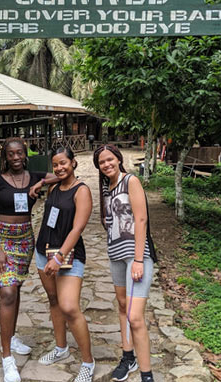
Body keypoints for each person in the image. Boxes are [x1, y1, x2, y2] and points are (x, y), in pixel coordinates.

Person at [0, 137, 59, 382]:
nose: (15, 158)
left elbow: (62, 174)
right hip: (4, 240)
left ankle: (12, 336)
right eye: (10, 154)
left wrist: (39, 185)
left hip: (25, 239)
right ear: (5, 157)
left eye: (19, 153)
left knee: (15, 288)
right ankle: (7, 359)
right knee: (7, 293)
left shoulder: (34, 176)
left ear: (25, 154)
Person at [92, 144, 158, 382]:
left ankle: (146, 374)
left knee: (135, 316)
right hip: (116, 254)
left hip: (136, 255)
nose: (107, 164)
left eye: (110, 159)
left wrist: (139, 259)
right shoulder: (107, 188)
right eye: (102, 162)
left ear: (118, 159)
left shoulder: (130, 181)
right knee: (122, 306)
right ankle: (127, 355)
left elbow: (141, 219)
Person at [29, 147, 95, 382]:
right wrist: (41, 183)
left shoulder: (82, 191)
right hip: (43, 251)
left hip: (67, 256)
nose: (59, 167)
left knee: (69, 307)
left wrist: (59, 258)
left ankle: (88, 362)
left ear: (74, 163)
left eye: (64, 163)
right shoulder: (54, 186)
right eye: (55, 164)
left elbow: (77, 228)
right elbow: (48, 178)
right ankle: (61, 348)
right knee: (54, 301)